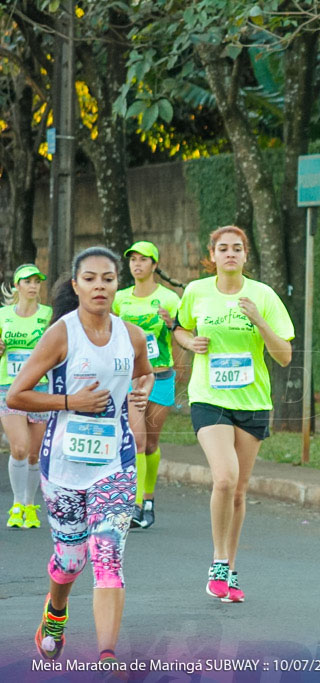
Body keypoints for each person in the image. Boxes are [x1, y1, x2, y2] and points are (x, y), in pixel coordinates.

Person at [7, 247, 153, 666]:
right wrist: (71, 401)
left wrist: (141, 389)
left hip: (115, 464)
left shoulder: (132, 335)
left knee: (107, 554)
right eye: (90, 278)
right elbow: (18, 394)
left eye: (108, 278)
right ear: (76, 285)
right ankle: (55, 613)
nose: (100, 286)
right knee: (71, 560)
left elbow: (144, 372)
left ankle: (107, 658)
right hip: (64, 466)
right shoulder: (61, 334)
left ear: (117, 284)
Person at [174, 226, 294, 604]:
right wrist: (188, 342)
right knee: (225, 479)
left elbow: (284, 355)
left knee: (239, 491)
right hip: (209, 397)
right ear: (212, 255)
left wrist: (260, 321)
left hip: (253, 402)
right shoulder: (197, 291)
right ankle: (218, 562)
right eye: (223, 249)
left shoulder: (263, 296)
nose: (230, 254)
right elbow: (180, 328)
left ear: (245, 256)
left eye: (237, 249)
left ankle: (231, 565)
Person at [112, 241, 181, 530]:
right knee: (137, 440)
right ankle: (135, 504)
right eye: (133, 260)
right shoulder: (120, 299)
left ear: (155, 265)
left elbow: (182, 335)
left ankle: (148, 499)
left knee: (151, 443)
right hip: (132, 378)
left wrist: (172, 324)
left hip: (162, 374)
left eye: (143, 260)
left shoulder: (170, 299)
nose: (137, 264)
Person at [1, 264, 53, 529]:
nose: (33, 285)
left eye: (37, 281)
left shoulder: (48, 315)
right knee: (19, 447)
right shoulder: (2, 315)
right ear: (17, 286)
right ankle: (17, 504)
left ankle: (30, 506)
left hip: (40, 389)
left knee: (34, 454)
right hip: (8, 388)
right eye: (28, 281)